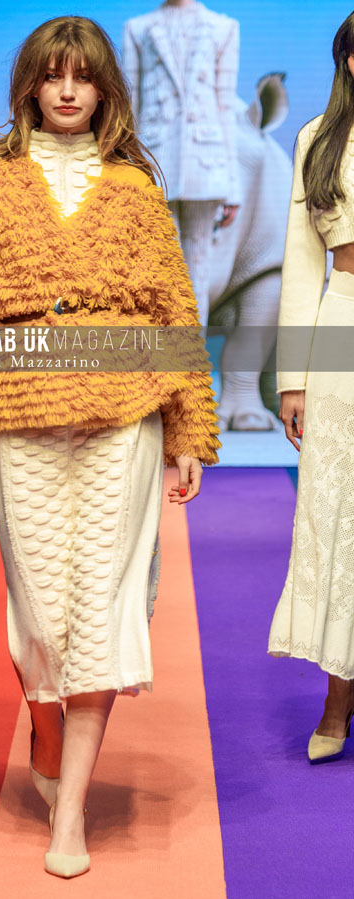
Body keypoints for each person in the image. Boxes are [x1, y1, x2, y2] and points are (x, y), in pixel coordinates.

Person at [0, 15, 220, 878]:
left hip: (125, 408)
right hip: (21, 406)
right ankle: (47, 742)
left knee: (102, 608)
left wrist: (189, 428)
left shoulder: (133, 187)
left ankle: (71, 808)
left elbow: (173, 308)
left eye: (83, 76)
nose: (69, 90)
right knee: (41, 616)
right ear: (32, 85)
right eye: (54, 75)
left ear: (104, 87)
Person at [268, 12, 354, 764]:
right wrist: (292, 379)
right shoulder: (317, 139)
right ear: (350, 61)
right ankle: (337, 698)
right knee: (336, 514)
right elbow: (301, 266)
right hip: (343, 322)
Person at [122, 0, 242, 327]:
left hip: (206, 163)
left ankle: (192, 351)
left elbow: (225, 108)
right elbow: (130, 109)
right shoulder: (138, 28)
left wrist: (233, 187)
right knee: (160, 263)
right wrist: (129, 169)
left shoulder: (224, 27)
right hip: (155, 160)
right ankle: (166, 349)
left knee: (198, 265)